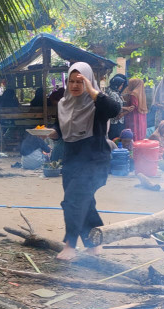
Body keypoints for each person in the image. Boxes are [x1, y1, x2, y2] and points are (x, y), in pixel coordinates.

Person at [52, 62, 121, 261]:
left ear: (89, 81)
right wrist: (51, 133)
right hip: (71, 159)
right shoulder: (63, 104)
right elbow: (59, 129)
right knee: (85, 202)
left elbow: (114, 110)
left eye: (80, 81)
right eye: (71, 81)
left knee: (73, 201)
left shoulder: (97, 104)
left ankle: (70, 245)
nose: (75, 85)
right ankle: (94, 243)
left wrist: (92, 91)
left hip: (94, 160)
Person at [107, 74, 128, 140]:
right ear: (116, 84)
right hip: (114, 121)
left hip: (119, 120)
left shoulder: (117, 93)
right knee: (114, 138)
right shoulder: (113, 94)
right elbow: (114, 106)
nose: (121, 87)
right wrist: (126, 109)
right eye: (121, 85)